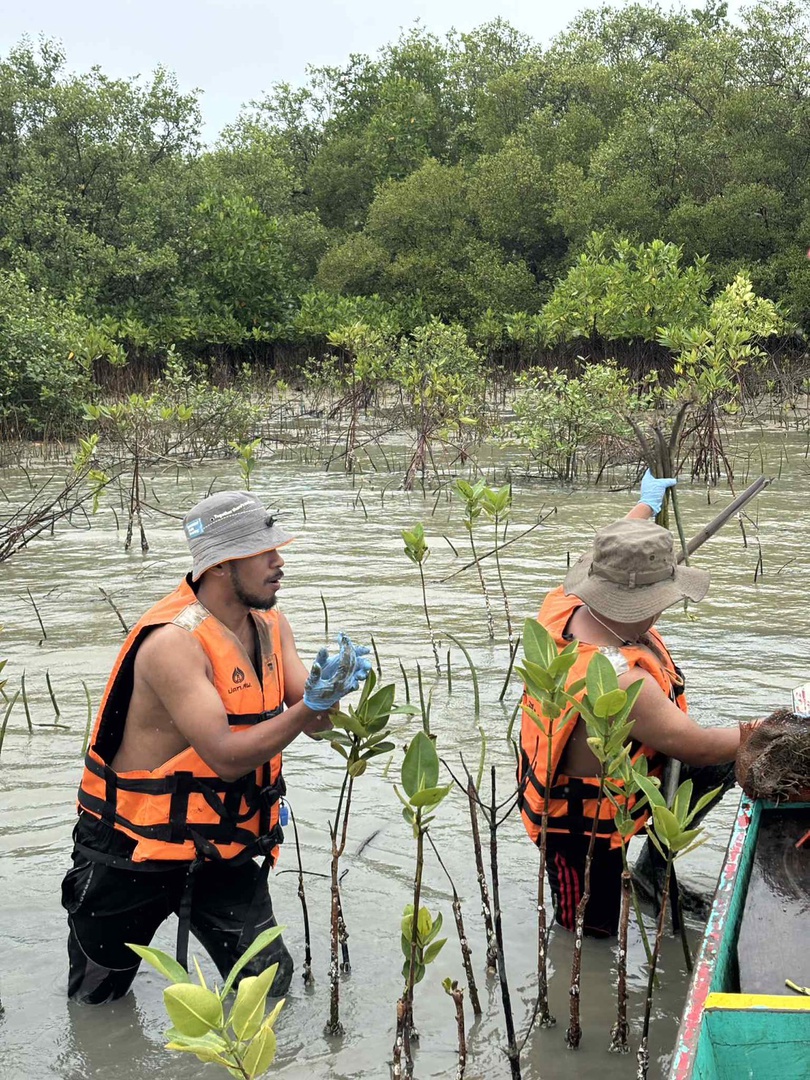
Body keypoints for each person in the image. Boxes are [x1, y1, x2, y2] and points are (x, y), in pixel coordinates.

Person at [61, 490, 371, 1004]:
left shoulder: (271, 623)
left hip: (221, 844)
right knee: (97, 1000)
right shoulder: (172, 643)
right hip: (130, 849)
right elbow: (225, 757)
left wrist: (332, 693)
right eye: (263, 553)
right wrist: (307, 708)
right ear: (221, 565)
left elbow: (314, 723)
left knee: (269, 987)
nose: (279, 562)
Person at [518, 471, 741, 938]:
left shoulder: (562, 604)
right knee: (590, 931)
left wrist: (646, 506)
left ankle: (650, 873)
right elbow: (698, 745)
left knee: (720, 766)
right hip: (579, 833)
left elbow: (607, 557)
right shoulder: (622, 683)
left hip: (625, 795)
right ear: (647, 605)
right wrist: (773, 727)